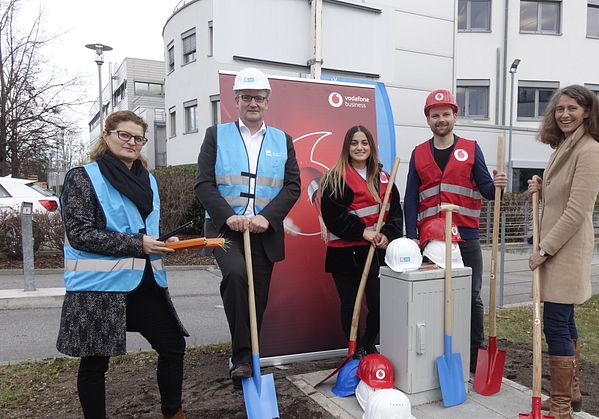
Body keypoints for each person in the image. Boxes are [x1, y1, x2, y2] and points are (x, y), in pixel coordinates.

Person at [57, 111, 188, 419]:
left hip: (145, 281)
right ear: (107, 136)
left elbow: (145, 228)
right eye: (124, 135)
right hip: (98, 289)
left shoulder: (149, 180)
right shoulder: (83, 177)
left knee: (172, 347)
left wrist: (164, 241)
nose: (131, 142)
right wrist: (137, 244)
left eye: (138, 138)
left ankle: (173, 413)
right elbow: (79, 234)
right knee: (94, 365)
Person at [195, 67, 301, 388]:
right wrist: (228, 215)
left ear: (267, 102)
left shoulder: (283, 140)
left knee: (258, 296)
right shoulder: (217, 135)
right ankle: (242, 357)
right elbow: (204, 183)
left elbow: (293, 186)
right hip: (225, 229)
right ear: (236, 100)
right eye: (246, 97)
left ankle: (251, 351)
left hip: (263, 231)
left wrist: (266, 217)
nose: (252, 103)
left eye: (258, 98)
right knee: (236, 276)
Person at [527, 85, 599, 419]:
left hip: (565, 250)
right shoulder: (565, 147)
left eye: (572, 109)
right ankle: (571, 393)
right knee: (564, 320)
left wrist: (545, 250)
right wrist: (542, 186)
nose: (564, 114)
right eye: (560, 109)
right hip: (555, 249)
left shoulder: (590, 151)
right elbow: (561, 196)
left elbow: (577, 211)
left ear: (588, 112)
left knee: (556, 325)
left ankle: (562, 406)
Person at [403, 89, 508, 372]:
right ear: (428, 120)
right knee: (433, 295)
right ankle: (438, 348)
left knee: (471, 296)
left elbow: (486, 190)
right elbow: (411, 196)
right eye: (435, 115)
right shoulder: (418, 153)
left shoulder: (472, 149)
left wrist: (497, 184)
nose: (441, 119)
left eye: (446, 114)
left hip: (466, 236)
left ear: (455, 116)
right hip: (430, 239)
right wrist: (411, 236)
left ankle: (475, 352)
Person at [319, 125, 403, 357]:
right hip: (346, 255)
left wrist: (388, 234)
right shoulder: (335, 178)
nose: (359, 147)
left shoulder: (384, 178)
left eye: (364, 143)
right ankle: (354, 350)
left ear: (371, 147)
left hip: (377, 253)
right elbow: (333, 216)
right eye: (354, 143)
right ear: (347, 147)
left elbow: (395, 212)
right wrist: (361, 231)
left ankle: (368, 344)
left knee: (378, 304)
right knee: (351, 305)